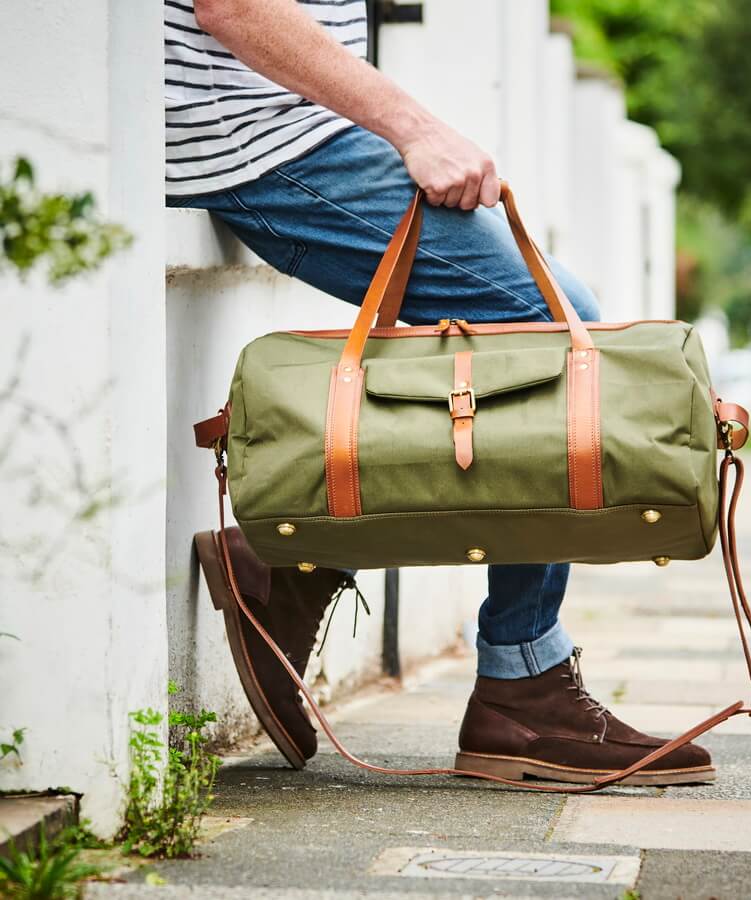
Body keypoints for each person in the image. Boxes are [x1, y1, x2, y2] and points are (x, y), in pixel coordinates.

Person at [167, 0, 714, 785]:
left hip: (294, 128)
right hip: (258, 136)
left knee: (548, 324)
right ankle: (519, 679)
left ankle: (299, 556)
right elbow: (235, 5)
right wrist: (416, 129)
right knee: (550, 331)